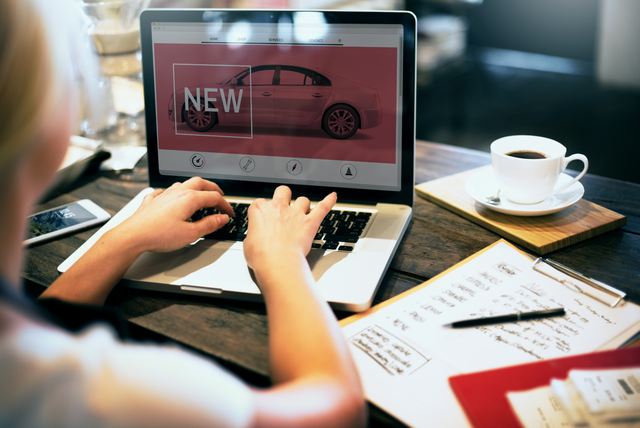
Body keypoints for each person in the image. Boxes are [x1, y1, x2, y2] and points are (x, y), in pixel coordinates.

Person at [0, 0, 366, 426]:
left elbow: (47, 320)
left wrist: (123, 238)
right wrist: (282, 260)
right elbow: (337, 410)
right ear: (46, 117)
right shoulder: (108, 392)